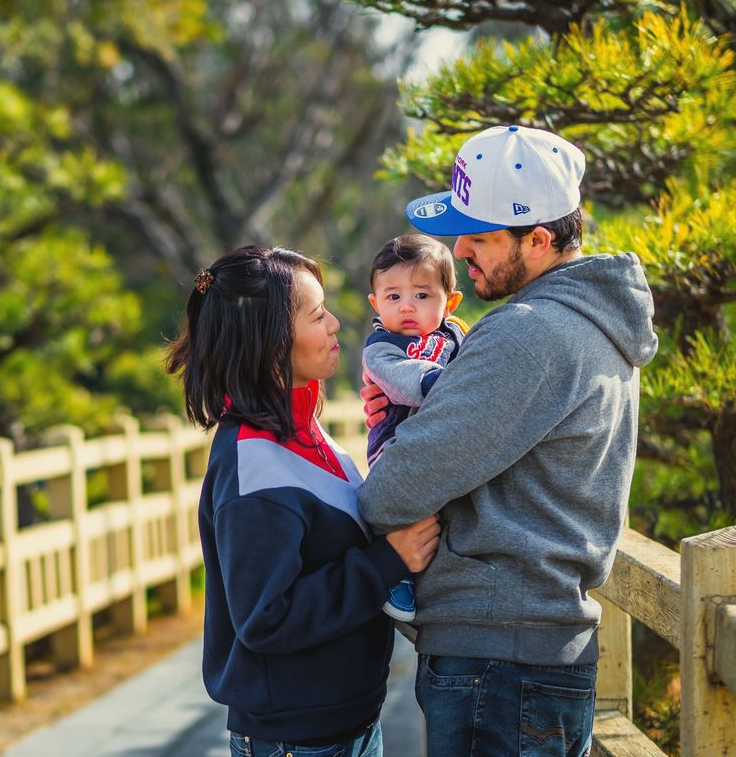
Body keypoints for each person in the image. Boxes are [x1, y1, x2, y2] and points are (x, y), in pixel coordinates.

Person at [357, 124, 659, 757]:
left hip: (498, 661)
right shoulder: (592, 324)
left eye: (481, 235)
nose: (460, 247)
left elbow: (398, 485)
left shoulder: (528, 335)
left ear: (539, 239)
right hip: (527, 652)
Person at [166, 244, 442, 757]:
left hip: (347, 723)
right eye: (318, 315)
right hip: (299, 739)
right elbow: (266, 616)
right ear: (271, 342)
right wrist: (387, 562)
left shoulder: (304, 428)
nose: (336, 323)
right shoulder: (255, 466)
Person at [362, 233, 466, 622]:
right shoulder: (381, 347)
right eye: (393, 297)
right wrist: (445, 384)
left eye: (422, 295)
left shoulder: (457, 336)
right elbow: (405, 379)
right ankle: (396, 577)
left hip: (444, 445)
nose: (407, 306)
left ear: (449, 301)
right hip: (395, 444)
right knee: (398, 509)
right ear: (375, 302)